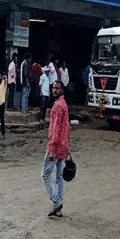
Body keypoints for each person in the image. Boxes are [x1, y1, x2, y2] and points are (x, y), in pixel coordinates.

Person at [41, 81, 70, 217]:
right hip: (62, 147)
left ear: (62, 90)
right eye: (53, 88)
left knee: (45, 175)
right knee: (59, 177)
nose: (54, 90)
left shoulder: (58, 106)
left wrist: (52, 145)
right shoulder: (63, 104)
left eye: (57, 88)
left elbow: (56, 128)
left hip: (55, 145)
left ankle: (57, 201)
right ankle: (58, 207)